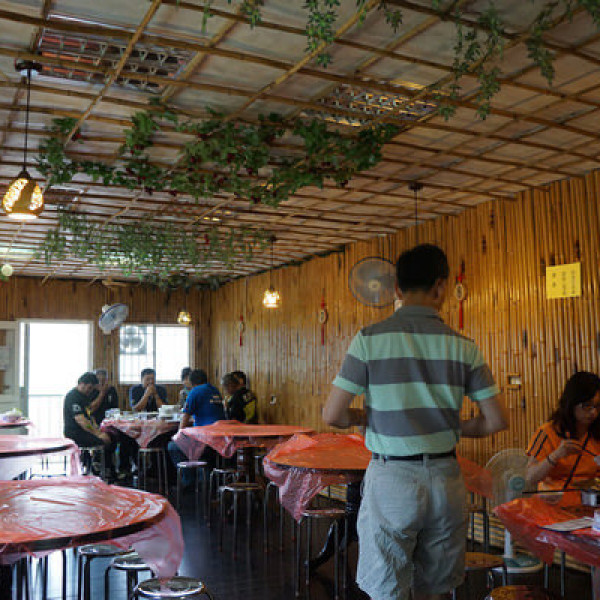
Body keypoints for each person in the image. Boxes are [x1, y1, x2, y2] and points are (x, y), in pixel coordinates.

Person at [323, 243, 508, 600]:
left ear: (396, 289)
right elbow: (496, 420)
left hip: (391, 478)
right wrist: (447, 425)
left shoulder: (369, 340)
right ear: (441, 286)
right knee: (435, 589)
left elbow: (333, 415)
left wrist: (363, 415)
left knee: (388, 588)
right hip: (446, 479)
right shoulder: (464, 347)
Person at [526, 371, 600, 492]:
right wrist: (557, 455)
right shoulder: (547, 432)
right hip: (555, 498)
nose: (593, 412)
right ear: (572, 404)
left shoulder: (596, 433)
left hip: (589, 498)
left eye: (597, 406)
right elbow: (530, 478)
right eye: (587, 405)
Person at [168, 369, 225, 484]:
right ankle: (201, 478)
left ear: (191, 381)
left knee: (173, 446)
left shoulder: (194, 392)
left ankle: (188, 481)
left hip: (205, 439)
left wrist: (178, 436)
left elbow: (185, 419)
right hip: (220, 439)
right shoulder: (215, 390)